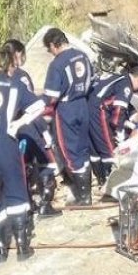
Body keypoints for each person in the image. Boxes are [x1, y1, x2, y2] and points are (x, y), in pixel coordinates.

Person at [3, 39, 61, 218]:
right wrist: (44, 130)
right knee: (48, 162)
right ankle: (44, 206)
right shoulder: (20, 76)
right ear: (18, 54)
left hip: (7, 132)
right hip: (25, 127)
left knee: (19, 168)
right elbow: (34, 106)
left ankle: (23, 204)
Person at [0, 48, 46, 261]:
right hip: (6, 142)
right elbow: (39, 104)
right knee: (16, 192)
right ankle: (22, 248)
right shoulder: (15, 84)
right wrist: (18, 123)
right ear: (9, 65)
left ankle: (0, 251)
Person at [42, 27, 94, 206]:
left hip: (66, 109)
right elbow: (91, 81)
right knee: (82, 147)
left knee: (69, 151)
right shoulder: (83, 56)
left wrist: (44, 116)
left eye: (49, 50)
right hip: (83, 105)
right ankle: (87, 192)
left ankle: (83, 197)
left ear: (53, 46)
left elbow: (51, 96)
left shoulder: (57, 64)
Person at [88, 66, 138, 186]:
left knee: (95, 147)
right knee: (109, 147)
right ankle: (110, 182)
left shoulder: (118, 77)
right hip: (99, 112)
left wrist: (133, 118)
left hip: (88, 107)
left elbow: (123, 106)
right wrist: (119, 133)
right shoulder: (126, 85)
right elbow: (119, 111)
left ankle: (100, 177)